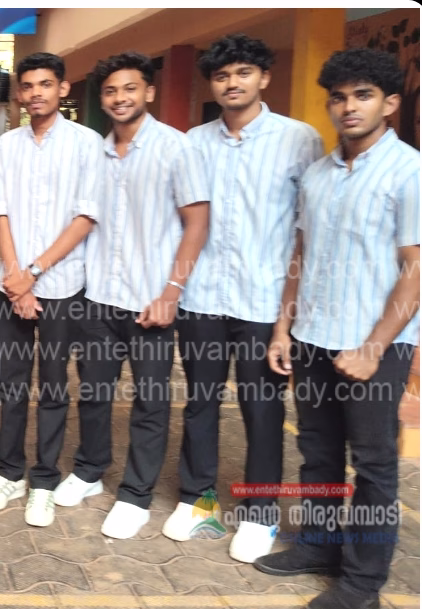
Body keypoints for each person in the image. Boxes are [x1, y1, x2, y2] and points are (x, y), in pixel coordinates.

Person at [256, 48, 419, 609]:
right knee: (317, 451)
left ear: (389, 104)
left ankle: (362, 583)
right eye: (339, 97)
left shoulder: (409, 171)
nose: (349, 107)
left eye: (363, 95)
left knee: (373, 465)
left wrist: (373, 348)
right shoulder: (319, 175)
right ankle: (319, 545)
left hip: (376, 345)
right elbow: (301, 254)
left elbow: (416, 267)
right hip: (313, 337)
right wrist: (284, 328)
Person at [164, 34, 324, 562]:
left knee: (262, 409)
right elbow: (186, 221)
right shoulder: (195, 142)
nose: (232, 83)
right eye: (222, 75)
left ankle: (260, 514)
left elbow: (306, 231)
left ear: (264, 77)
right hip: (204, 298)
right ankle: (198, 501)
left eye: (243, 72)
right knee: (201, 403)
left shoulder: (299, 140)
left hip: (263, 301)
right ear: (212, 84)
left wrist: (288, 318)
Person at [62, 52, 210, 539]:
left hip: (151, 302)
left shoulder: (176, 147)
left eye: (130, 88)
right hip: (100, 297)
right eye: (110, 91)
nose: (120, 98)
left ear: (149, 91)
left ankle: (135, 496)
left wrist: (172, 292)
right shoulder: (96, 153)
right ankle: (89, 470)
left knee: (149, 401)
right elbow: (87, 219)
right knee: (94, 393)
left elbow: (197, 223)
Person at [0, 51, 104, 529]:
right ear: (20, 93)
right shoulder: (7, 145)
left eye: (45, 84)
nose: (35, 94)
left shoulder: (87, 143)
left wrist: (33, 272)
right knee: (11, 383)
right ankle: (9, 472)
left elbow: (86, 218)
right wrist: (16, 278)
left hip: (63, 287)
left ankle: (44, 480)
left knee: (52, 387)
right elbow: (2, 212)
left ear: (62, 88)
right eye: (27, 86)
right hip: (13, 287)